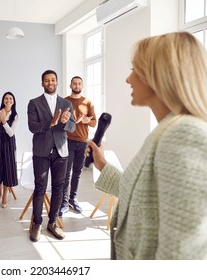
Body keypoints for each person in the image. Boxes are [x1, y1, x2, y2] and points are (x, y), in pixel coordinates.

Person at [86, 32, 207, 259]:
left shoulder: (184, 134)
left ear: (159, 75)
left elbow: (182, 252)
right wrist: (102, 163)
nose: (128, 79)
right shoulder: (166, 130)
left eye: (134, 69)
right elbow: (141, 195)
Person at [27, 70, 76, 242]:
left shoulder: (66, 103)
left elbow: (73, 127)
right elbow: (32, 127)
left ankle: (53, 223)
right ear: (42, 83)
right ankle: (37, 224)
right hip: (41, 152)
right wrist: (52, 122)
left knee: (58, 189)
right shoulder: (34, 103)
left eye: (53, 80)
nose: (50, 82)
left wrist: (64, 123)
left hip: (61, 152)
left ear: (56, 82)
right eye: (47, 80)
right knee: (40, 188)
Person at [60, 76, 96, 216]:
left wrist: (87, 120)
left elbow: (94, 122)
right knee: (66, 173)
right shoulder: (64, 101)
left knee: (77, 173)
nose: (77, 85)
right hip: (67, 141)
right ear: (70, 85)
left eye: (79, 83)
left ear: (82, 85)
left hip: (82, 142)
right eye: (74, 83)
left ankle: (72, 199)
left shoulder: (88, 102)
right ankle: (63, 202)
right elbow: (61, 122)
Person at [0, 92, 19, 208]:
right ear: (3, 100)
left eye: (11, 98)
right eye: (6, 98)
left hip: (8, 143)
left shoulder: (15, 115)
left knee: (8, 166)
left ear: (13, 101)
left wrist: (5, 122)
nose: (8, 100)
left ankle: (5, 194)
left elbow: (11, 133)